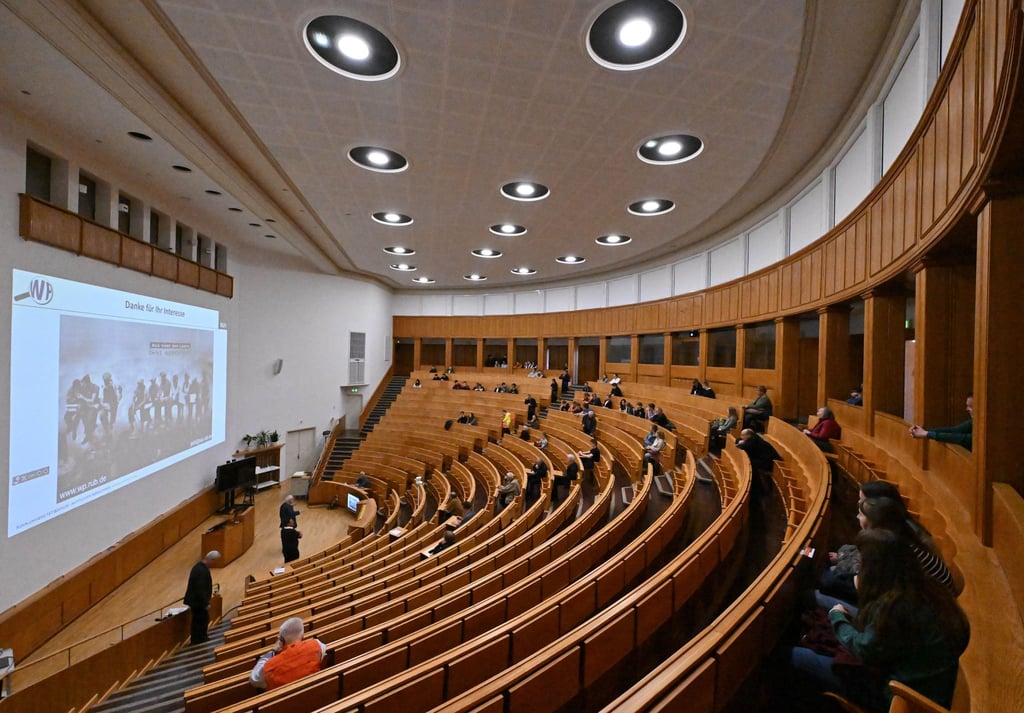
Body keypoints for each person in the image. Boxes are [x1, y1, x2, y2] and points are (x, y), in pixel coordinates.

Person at [791, 529, 969, 712]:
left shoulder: (894, 608)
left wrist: (838, 618)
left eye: (863, 563)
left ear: (876, 569)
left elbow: (864, 649)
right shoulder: (923, 586)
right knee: (814, 601)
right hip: (919, 677)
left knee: (795, 655)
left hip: (900, 696)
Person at [250, 616, 327, 690]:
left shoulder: (270, 666)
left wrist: (272, 651)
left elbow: (254, 678)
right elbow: (323, 646)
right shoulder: (317, 645)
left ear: (281, 640)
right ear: (303, 636)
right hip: (313, 693)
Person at [183, 550, 220, 645]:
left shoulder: (200, 567)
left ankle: (200, 638)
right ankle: (199, 639)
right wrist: (205, 603)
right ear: (211, 559)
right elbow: (200, 589)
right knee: (200, 620)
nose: (215, 564)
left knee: (200, 619)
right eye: (215, 561)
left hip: (197, 601)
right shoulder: (201, 570)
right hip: (197, 602)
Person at [735, 428, 781, 494]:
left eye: (743, 435)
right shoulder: (754, 438)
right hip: (764, 460)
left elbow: (744, 446)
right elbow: (738, 440)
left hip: (770, 463)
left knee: (749, 463)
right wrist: (740, 441)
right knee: (749, 462)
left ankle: (758, 489)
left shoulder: (754, 440)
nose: (741, 437)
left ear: (749, 435)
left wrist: (740, 443)